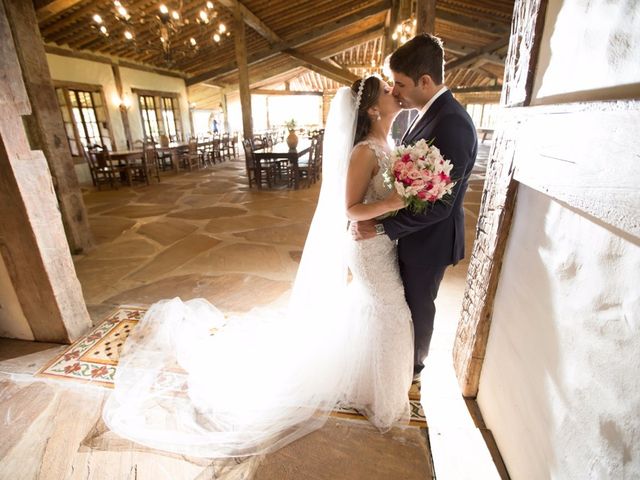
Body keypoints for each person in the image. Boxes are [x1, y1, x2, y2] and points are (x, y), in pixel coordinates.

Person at [102, 76, 414, 461]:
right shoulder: (364, 152)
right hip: (368, 248)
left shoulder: (390, 142)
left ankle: (365, 384)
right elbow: (349, 209)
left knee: (373, 309)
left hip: (383, 242)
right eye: (387, 90)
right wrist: (396, 203)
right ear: (371, 109)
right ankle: (381, 394)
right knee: (391, 309)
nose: (394, 92)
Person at [351, 34, 478, 377]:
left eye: (401, 83)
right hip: (409, 235)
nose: (396, 91)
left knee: (419, 307)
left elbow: (441, 206)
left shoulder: (451, 122)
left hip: (430, 240)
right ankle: (396, 363)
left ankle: (413, 369)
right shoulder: (427, 113)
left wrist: (382, 225)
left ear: (425, 81)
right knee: (402, 306)